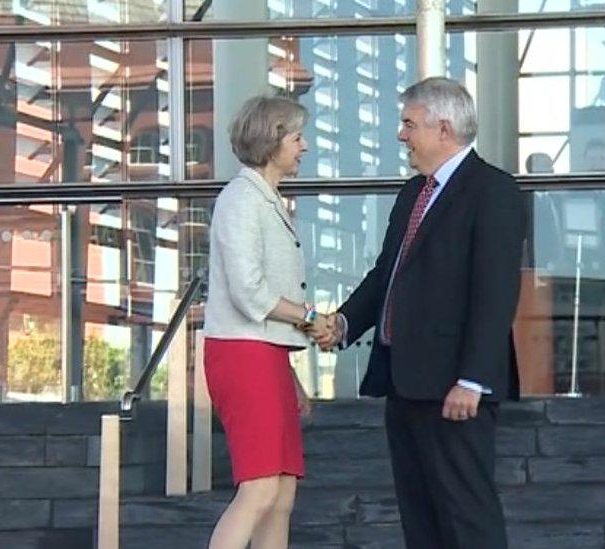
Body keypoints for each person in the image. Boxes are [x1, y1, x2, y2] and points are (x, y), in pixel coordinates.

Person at [315, 77, 525, 549]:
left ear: (443, 128)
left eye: (409, 124)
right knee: (421, 518)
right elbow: (386, 274)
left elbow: (495, 293)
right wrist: (346, 322)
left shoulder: (492, 191)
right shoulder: (413, 193)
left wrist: (472, 379)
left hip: (455, 387)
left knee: (467, 517)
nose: (401, 135)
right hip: (404, 382)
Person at [203, 94, 327, 549]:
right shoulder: (240, 199)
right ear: (273, 141)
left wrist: (290, 376)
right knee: (258, 488)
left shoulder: (267, 199)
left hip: (267, 355)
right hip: (241, 355)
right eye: (297, 137)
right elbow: (248, 290)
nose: (305, 146)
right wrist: (310, 317)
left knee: (282, 492)